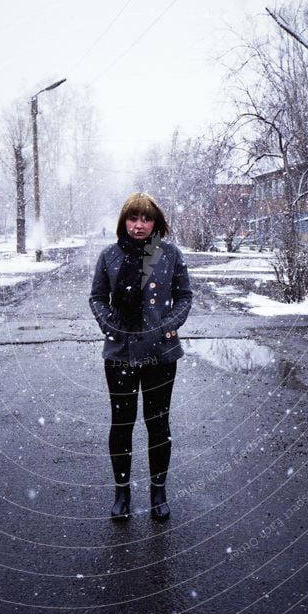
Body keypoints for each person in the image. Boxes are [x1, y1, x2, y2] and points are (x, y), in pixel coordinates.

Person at [89, 192, 192, 522]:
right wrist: (111, 325)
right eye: (132, 219)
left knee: (157, 424)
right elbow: (97, 298)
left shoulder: (170, 255)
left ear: (155, 223)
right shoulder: (109, 255)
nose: (138, 225)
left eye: (145, 219)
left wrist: (169, 325)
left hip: (162, 354)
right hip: (119, 353)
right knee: (122, 424)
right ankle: (122, 493)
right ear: (123, 222)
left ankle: (158, 492)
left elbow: (184, 297)